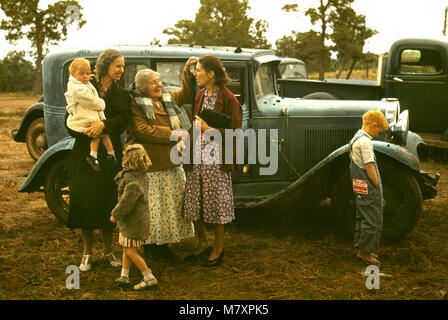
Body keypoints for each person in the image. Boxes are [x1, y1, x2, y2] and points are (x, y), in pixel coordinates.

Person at [65, 49, 132, 271]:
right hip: (85, 150)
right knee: (85, 200)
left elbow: (123, 119)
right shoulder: (81, 87)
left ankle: (107, 249)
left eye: (123, 66)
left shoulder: (121, 94)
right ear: (105, 67)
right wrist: (85, 130)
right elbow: (70, 118)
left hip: (110, 154)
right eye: (118, 66)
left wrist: (104, 125)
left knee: (108, 201)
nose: (122, 70)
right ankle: (86, 252)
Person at [125, 58, 198, 260]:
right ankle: (151, 247)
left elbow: (186, 94)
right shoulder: (135, 103)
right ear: (141, 87)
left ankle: (164, 244)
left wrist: (187, 72)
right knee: (153, 208)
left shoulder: (167, 98)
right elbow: (141, 130)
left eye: (159, 81)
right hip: (150, 166)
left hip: (170, 163)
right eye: (153, 82)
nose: (159, 85)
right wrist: (174, 134)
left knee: (168, 207)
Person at [183, 55, 243, 267]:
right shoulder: (200, 95)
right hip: (198, 156)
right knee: (194, 200)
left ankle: (218, 249)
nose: (196, 74)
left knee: (217, 205)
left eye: (198, 70)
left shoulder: (229, 99)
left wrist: (211, 130)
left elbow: (236, 133)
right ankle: (203, 243)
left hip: (217, 160)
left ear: (211, 74)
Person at [111, 144, 158, 290]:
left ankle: (149, 277)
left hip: (133, 222)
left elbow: (127, 202)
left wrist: (115, 215)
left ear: (127, 160)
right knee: (127, 248)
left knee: (131, 251)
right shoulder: (141, 175)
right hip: (135, 221)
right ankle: (124, 275)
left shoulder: (132, 181)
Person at [65, 58, 118, 172]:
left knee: (103, 134)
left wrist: (104, 124)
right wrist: (101, 104)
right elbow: (88, 101)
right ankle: (104, 154)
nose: (85, 76)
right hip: (85, 121)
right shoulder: (77, 87)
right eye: (81, 74)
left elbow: (122, 120)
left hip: (97, 121)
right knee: (99, 135)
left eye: (88, 73)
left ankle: (106, 155)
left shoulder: (86, 84)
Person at [349, 110, 388, 264]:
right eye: (379, 130)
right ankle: (365, 252)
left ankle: (359, 247)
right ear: (373, 125)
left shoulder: (355, 138)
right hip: (368, 185)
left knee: (362, 216)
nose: (378, 134)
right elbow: (369, 166)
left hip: (359, 185)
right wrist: (377, 185)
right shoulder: (365, 142)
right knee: (372, 218)